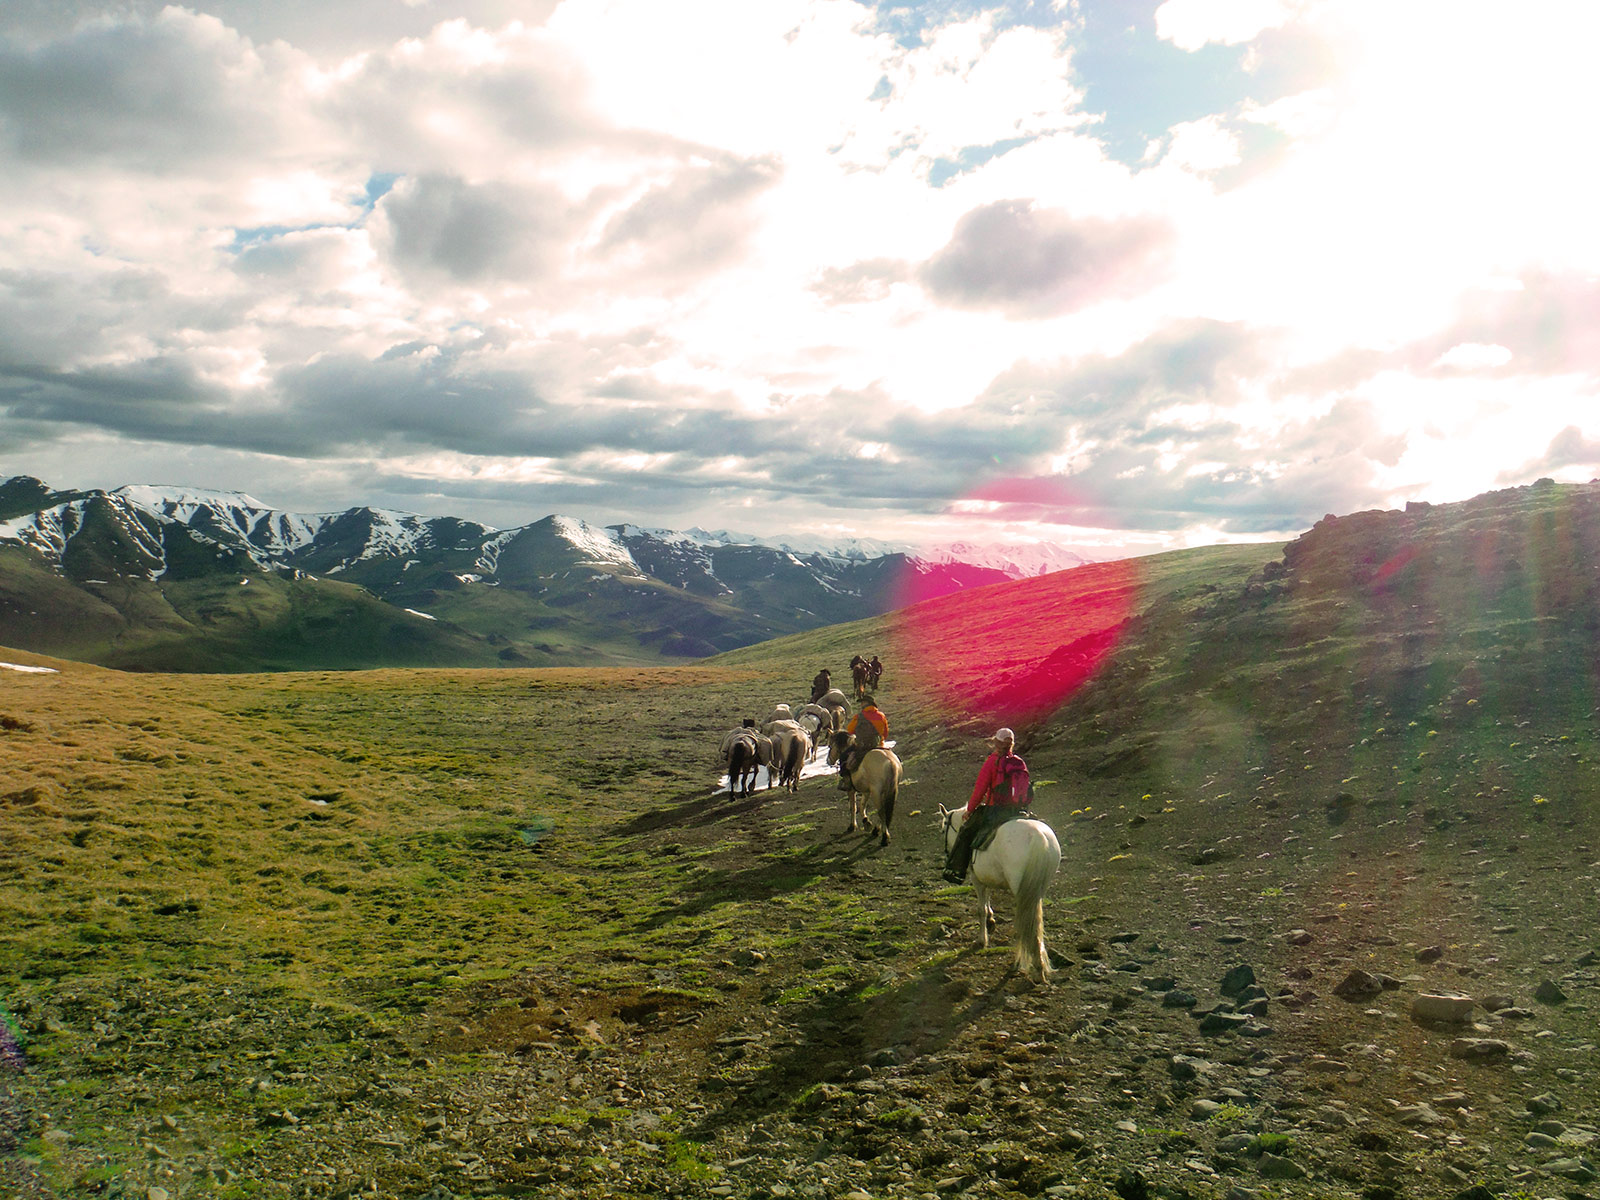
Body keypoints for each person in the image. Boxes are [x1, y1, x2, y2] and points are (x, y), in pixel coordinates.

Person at [941, 727, 1029, 884]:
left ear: (996, 742)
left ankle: (957, 871)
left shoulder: (992, 762)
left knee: (966, 832)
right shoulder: (1018, 762)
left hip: (995, 810)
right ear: (1011, 744)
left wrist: (969, 810)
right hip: (1017, 810)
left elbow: (980, 790)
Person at [838, 695, 888, 787]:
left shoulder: (859, 716)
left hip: (862, 746)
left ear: (866, 703)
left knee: (843, 757)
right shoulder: (881, 716)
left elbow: (850, 730)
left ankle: (847, 782)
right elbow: (885, 733)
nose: (861, 704)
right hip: (878, 745)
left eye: (862, 702)